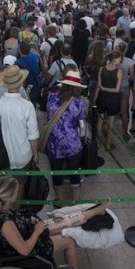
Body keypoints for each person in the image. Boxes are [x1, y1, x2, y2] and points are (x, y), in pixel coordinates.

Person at [0, 176, 105, 269]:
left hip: (26, 235)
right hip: (29, 252)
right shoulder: (6, 223)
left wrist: (27, 222)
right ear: (11, 195)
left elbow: (14, 226)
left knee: (61, 225)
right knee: (69, 241)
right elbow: (24, 250)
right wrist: (37, 231)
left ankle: (93, 212)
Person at [0, 65, 39, 195]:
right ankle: (16, 210)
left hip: (2, 155)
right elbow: (33, 136)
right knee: (20, 185)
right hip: (23, 156)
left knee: (4, 187)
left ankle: (5, 210)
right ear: (21, 82)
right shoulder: (27, 106)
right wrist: (35, 154)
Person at [45, 70, 86, 202]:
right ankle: (75, 201)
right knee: (74, 173)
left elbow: (48, 115)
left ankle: (60, 202)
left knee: (56, 175)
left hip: (54, 144)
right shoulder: (79, 103)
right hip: (73, 144)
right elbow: (81, 121)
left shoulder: (51, 97)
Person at [94, 51, 123, 150]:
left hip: (101, 98)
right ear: (114, 59)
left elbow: (98, 86)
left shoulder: (101, 69)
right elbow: (116, 89)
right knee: (111, 123)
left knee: (99, 122)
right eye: (119, 58)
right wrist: (105, 88)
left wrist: (94, 99)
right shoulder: (119, 72)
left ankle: (97, 143)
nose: (120, 60)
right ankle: (108, 144)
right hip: (113, 100)